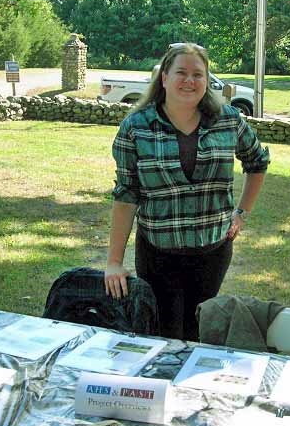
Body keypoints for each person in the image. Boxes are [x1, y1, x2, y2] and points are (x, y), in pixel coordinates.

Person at [104, 43, 269, 341]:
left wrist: (241, 213)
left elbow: (257, 162)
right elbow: (126, 194)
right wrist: (114, 261)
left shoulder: (229, 121)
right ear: (164, 78)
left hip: (212, 253)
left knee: (199, 330)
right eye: (181, 72)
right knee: (162, 333)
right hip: (157, 253)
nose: (189, 81)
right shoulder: (136, 127)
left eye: (198, 74)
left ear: (207, 81)